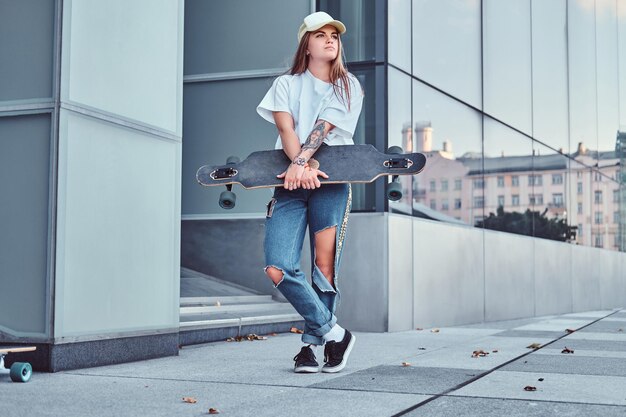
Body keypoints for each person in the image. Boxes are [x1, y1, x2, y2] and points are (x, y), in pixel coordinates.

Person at [256, 11, 364, 373]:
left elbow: (323, 127)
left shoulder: (348, 85)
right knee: (277, 265)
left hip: (331, 183)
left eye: (335, 35)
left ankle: (310, 347)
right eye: (321, 35)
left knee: (324, 269)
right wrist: (298, 166)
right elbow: (287, 129)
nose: (331, 40)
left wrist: (302, 162)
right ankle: (334, 333)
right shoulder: (285, 85)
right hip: (290, 183)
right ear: (307, 43)